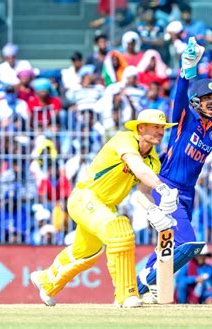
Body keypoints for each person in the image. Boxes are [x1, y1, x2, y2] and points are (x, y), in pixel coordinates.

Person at [31, 109, 179, 308]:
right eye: (156, 127)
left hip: (104, 206)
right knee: (120, 233)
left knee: (85, 253)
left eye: (162, 128)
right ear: (141, 127)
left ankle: (46, 281)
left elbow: (142, 193)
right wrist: (162, 187)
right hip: (85, 197)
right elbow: (137, 166)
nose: (160, 132)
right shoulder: (124, 139)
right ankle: (126, 295)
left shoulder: (153, 161)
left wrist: (154, 211)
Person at [137, 38, 212, 301]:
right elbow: (180, 91)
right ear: (195, 101)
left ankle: (143, 279)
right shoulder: (185, 118)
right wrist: (188, 68)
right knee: (188, 242)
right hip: (166, 185)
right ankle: (150, 278)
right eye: (207, 98)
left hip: (188, 193)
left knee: (171, 239)